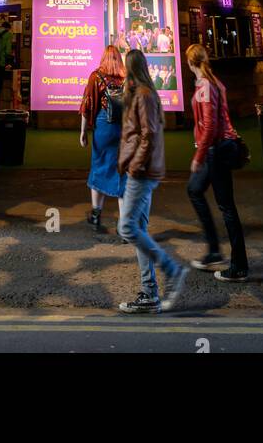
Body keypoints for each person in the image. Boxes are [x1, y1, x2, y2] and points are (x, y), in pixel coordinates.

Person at [117, 49, 189, 314]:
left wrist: (135, 166)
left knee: (127, 228)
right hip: (140, 170)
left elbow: (148, 134)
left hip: (142, 172)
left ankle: (172, 270)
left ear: (130, 68)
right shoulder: (141, 93)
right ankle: (150, 294)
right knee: (137, 229)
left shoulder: (145, 96)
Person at [185, 43, 248, 282]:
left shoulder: (204, 85)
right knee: (194, 190)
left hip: (216, 149)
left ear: (190, 63)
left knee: (226, 207)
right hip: (217, 148)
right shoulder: (214, 81)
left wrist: (198, 155)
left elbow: (210, 126)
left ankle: (238, 266)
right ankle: (213, 251)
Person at [80, 45, 126, 232]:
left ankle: (96, 215)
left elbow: (87, 105)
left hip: (103, 129)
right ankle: (124, 224)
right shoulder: (126, 77)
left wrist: (83, 132)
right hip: (122, 130)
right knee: (122, 173)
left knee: (98, 167)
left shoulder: (96, 76)